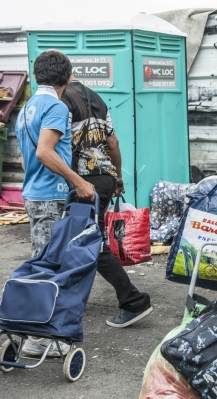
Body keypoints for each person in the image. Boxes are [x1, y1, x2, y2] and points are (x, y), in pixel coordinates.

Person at [15, 50, 95, 356]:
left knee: (41, 261)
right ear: (69, 77)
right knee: (48, 267)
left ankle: (33, 331)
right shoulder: (56, 107)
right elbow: (44, 152)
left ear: (37, 76)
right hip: (50, 195)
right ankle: (39, 339)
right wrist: (79, 181)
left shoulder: (27, 108)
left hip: (34, 193)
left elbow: (26, 157)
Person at [61, 75, 153, 329]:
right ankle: (71, 297)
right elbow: (112, 142)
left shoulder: (63, 99)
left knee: (89, 241)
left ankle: (133, 300)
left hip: (85, 181)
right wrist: (118, 175)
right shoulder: (97, 99)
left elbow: (63, 143)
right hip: (104, 176)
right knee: (84, 239)